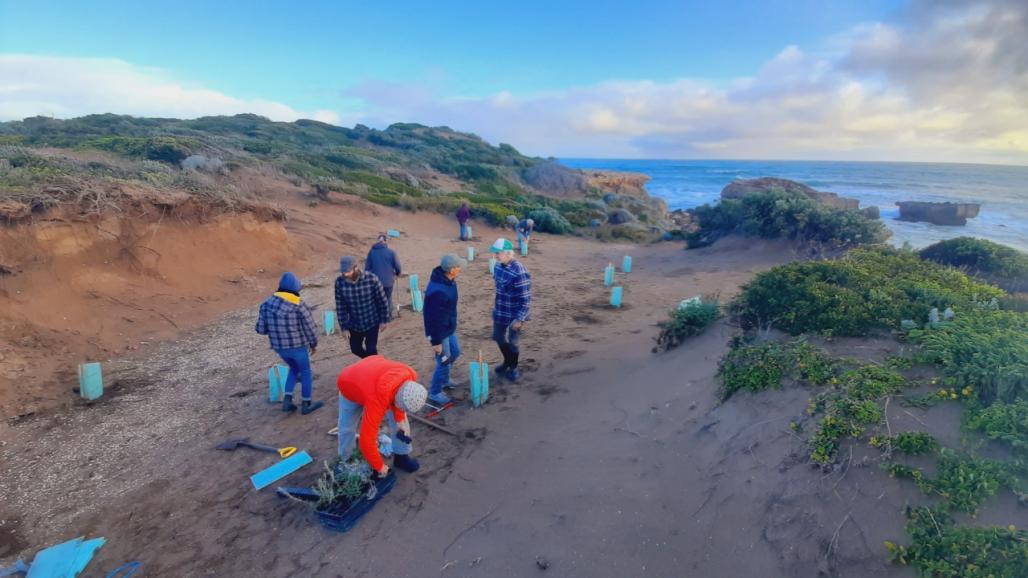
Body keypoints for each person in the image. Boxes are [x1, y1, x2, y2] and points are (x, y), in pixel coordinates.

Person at [336, 355, 427, 476]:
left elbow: (399, 403)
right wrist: (380, 467)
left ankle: (401, 456)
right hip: (349, 383)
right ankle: (347, 459)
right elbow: (366, 440)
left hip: (373, 375)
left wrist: (400, 420)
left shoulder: (410, 375)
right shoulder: (377, 400)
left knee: (401, 422)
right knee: (346, 427)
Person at [255, 272, 324, 414]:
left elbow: (260, 329)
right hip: (298, 347)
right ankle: (306, 403)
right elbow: (310, 328)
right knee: (305, 372)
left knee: (293, 369)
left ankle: (287, 400)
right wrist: (313, 343)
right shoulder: (299, 305)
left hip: (279, 348)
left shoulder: (266, 304)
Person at [423, 254, 466, 405]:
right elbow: (430, 317)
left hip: (448, 326)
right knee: (444, 361)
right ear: (451, 270)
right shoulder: (438, 291)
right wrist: (435, 341)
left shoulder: (450, 281)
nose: (460, 268)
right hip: (438, 332)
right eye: (458, 266)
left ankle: (445, 379)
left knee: (455, 352)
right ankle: (434, 392)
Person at [489, 238, 532, 382]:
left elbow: (525, 298)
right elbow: (499, 290)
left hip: (515, 313)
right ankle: (507, 361)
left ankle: (513, 367)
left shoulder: (519, 271)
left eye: (498, 253)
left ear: (508, 254)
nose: (495, 256)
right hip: (501, 310)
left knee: (513, 342)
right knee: (497, 336)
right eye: (495, 253)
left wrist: (520, 319)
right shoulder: (497, 266)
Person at [334, 256, 390, 358]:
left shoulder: (372, 279)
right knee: (355, 349)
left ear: (356, 268)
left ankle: (374, 367)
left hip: (372, 321)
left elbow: (382, 301)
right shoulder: (339, 283)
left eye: (347, 272)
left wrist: (384, 320)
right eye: (343, 272)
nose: (344, 275)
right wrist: (344, 328)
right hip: (354, 324)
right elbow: (340, 307)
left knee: (371, 349)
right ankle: (370, 362)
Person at [365, 234, 402, 314]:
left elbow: (367, 269)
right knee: (388, 298)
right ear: (385, 242)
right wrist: (397, 274)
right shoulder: (391, 252)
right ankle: (388, 317)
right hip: (388, 281)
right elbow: (398, 267)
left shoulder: (371, 252)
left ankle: (379, 317)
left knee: (377, 300)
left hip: (374, 282)